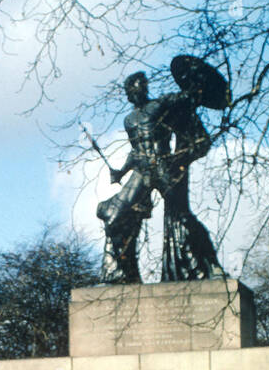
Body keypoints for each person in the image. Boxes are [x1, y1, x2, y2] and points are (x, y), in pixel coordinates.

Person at [96, 69, 224, 282]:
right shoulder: (129, 120)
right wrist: (121, 171)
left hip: (163, 165)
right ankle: (120, 274)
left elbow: (182, 99)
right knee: (116, 214)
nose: (141, 90)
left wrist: (195, 87)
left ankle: (210, 263)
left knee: (182, 215)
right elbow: (135, 150)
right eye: (136, 87)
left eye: (143, 86)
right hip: (141, 171)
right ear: (129, 92)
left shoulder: (158, 106)